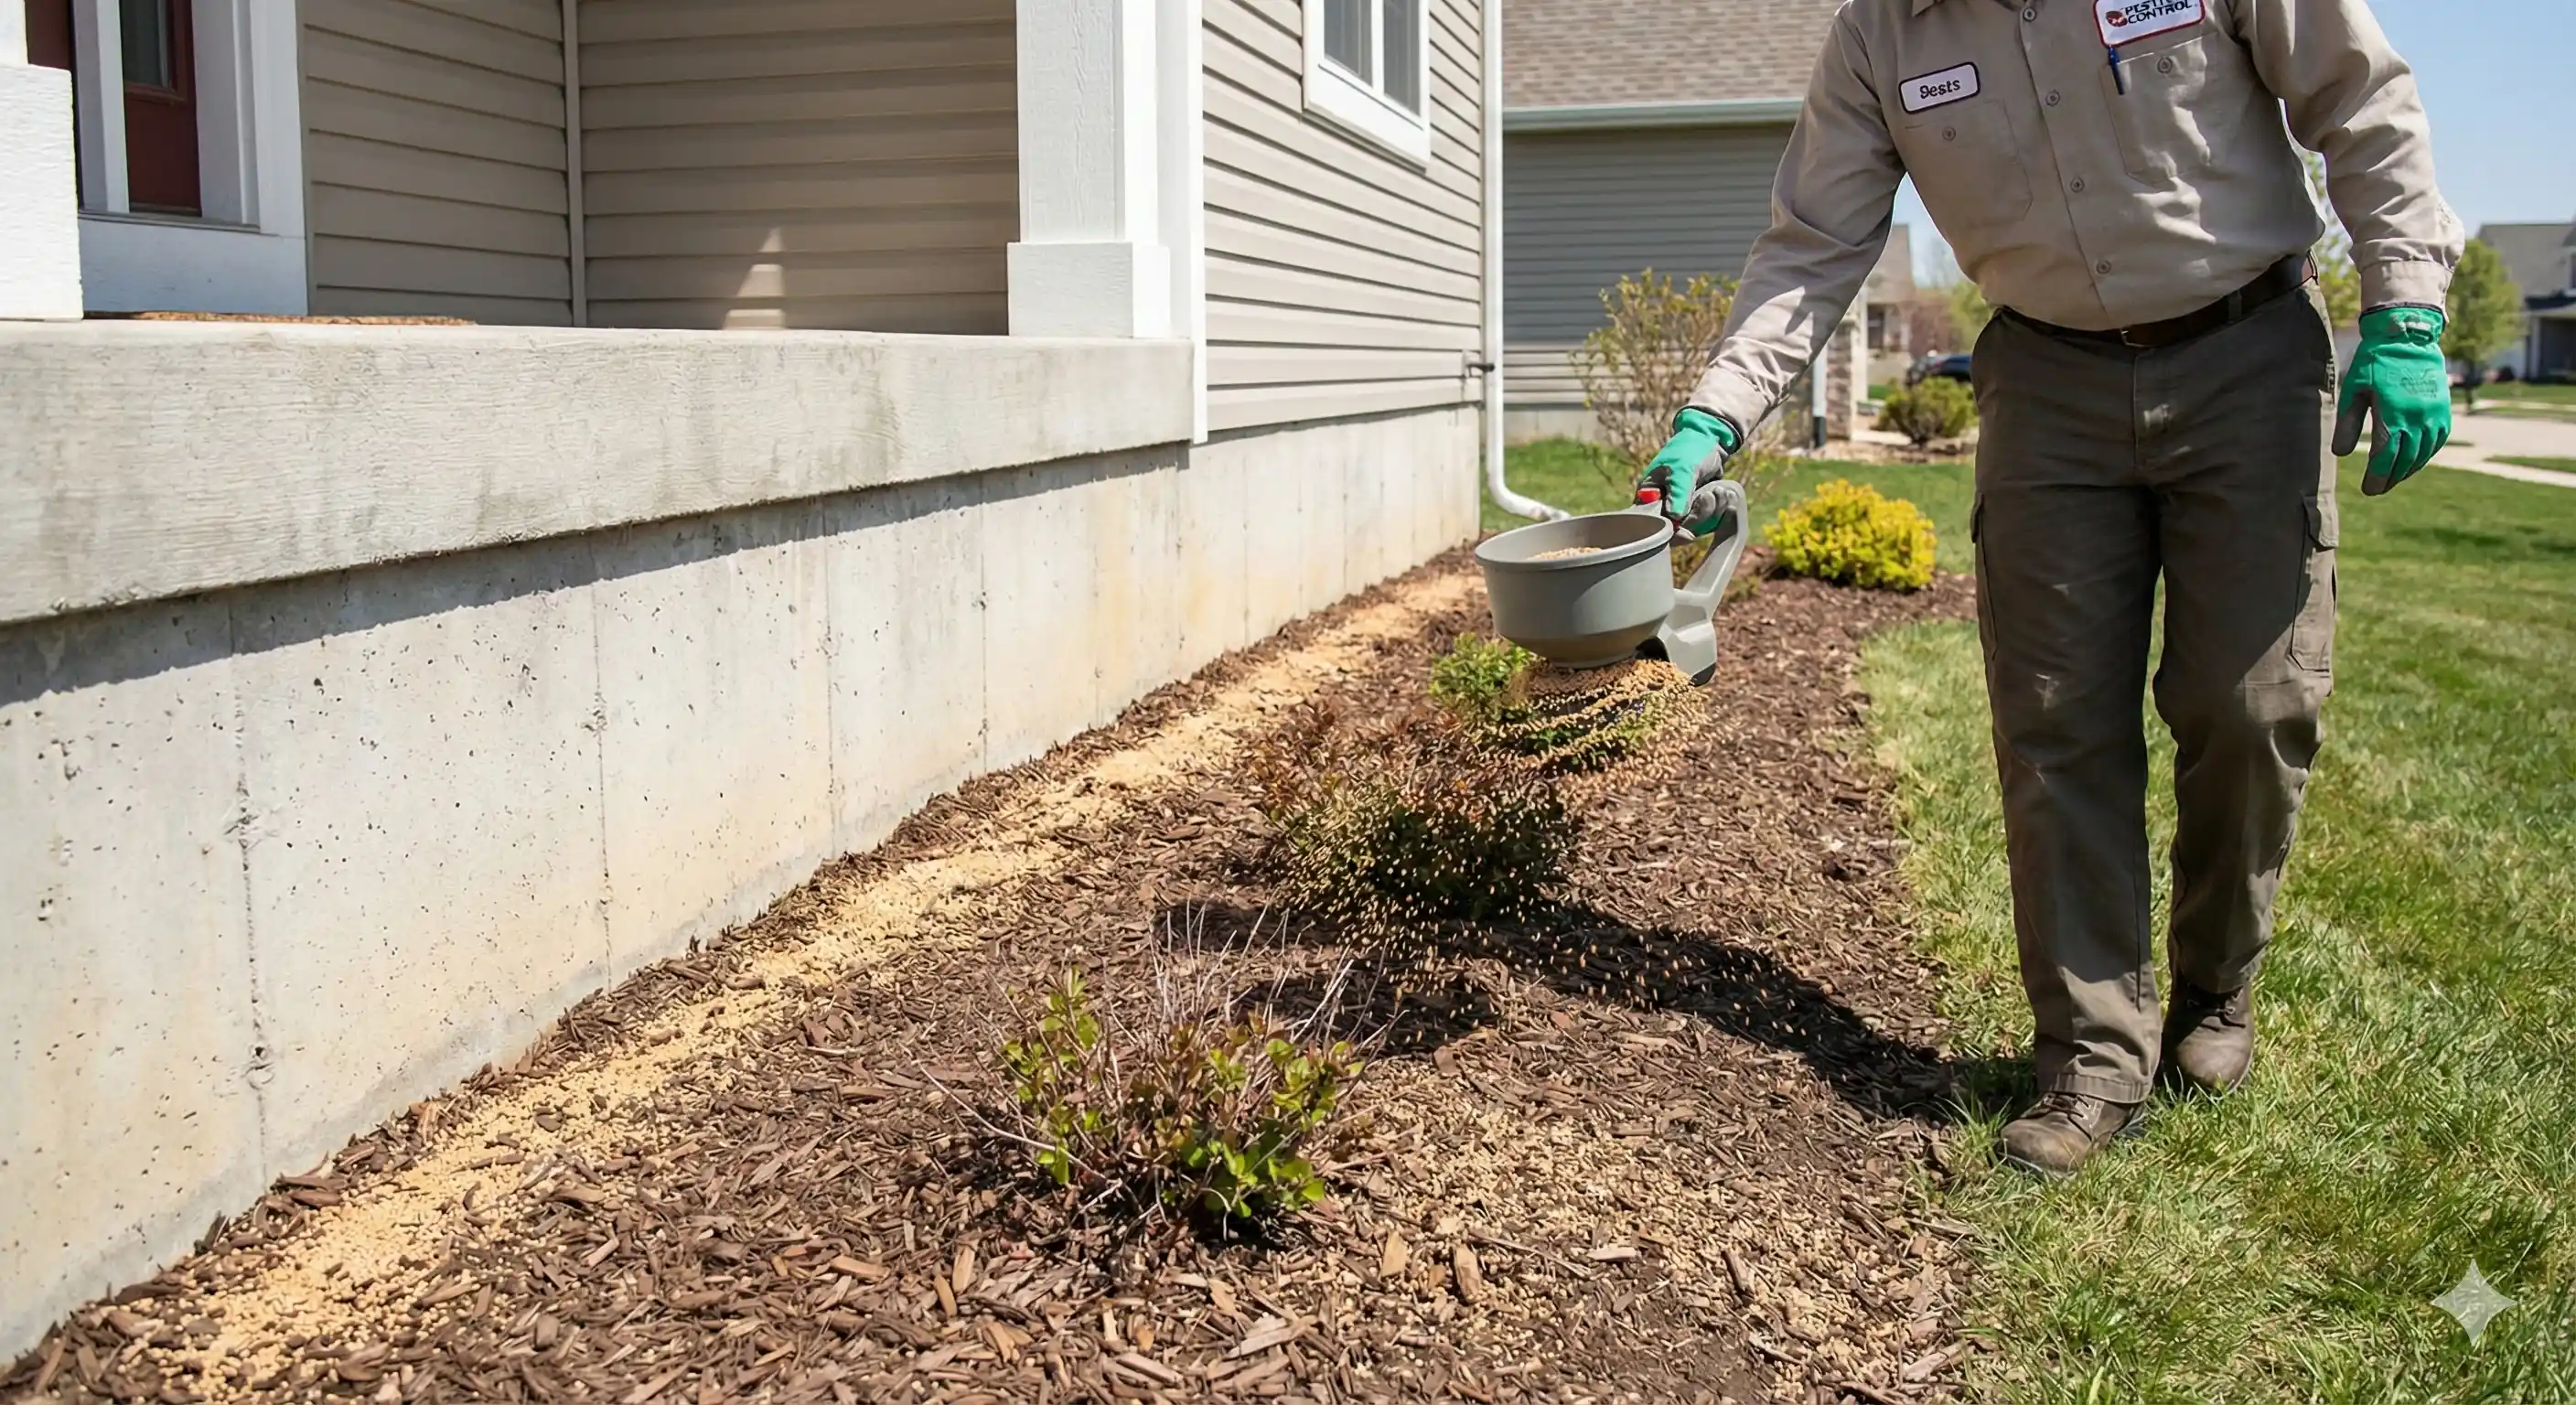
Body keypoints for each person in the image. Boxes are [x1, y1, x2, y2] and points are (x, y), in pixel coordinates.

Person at [1637, 0, 2459, 1175]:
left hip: (2246, 354)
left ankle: (2215, 987)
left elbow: (2358, 97)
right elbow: (1813, 242)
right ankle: (2089, 1059)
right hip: (2045, 388)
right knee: (2054, 727)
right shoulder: (1880, 34)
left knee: (2252, 707)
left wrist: (2407, 305)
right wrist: (1712, 413)